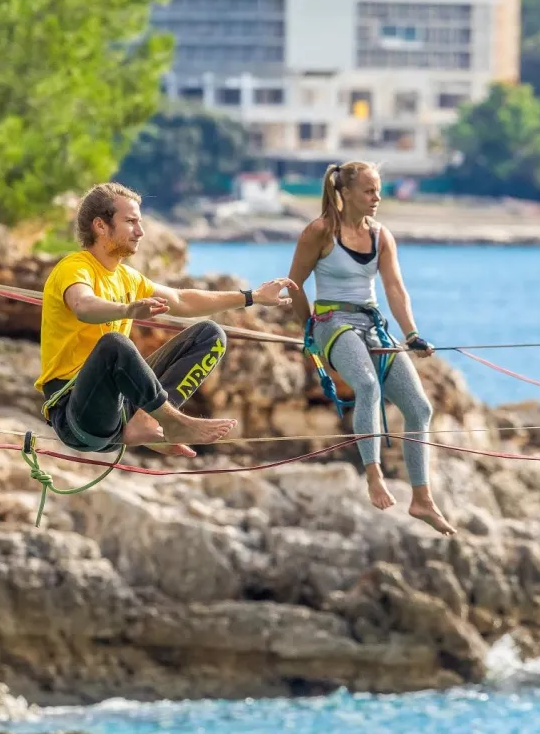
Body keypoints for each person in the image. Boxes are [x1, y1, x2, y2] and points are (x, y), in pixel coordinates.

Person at [36, 182, 296, 458]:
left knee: (210, 334)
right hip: (77, 415)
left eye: (140, 222)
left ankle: (149, 421)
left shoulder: (128, 278)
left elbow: (182, 300)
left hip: (120, 411)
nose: (141, 231)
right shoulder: (74, 267)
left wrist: (252, 296)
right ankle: (172, 421)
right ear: (101, 226)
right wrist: (126, 310)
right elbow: (83, 305)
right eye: (131, 222)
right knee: (114, 344)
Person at [287, 162, 455, 535]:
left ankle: (422, 499)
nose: (376, 198)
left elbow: (395, 288)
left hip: (373, 323)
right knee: (367, 386)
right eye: (368, 191)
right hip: (332, 322)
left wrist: (411, 335)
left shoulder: (381, 236)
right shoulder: (319, 233)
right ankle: (374, 476)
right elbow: (294, 286)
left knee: (419, 407)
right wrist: (309, 330)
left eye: (378, 191)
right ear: (344, 194)